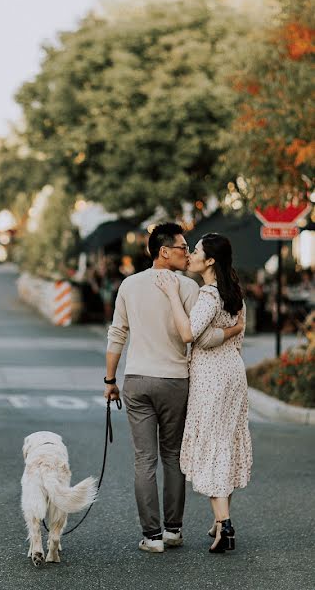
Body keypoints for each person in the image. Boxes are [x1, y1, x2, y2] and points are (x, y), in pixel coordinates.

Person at [104, 223, 244, 553]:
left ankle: (151, 537)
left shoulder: (129, 285)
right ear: (164, 251)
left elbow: (117, 334)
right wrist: (234, 330)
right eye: (183, 247)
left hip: (136, 380)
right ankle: (173, 531)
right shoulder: (189, 288)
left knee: (144, 461)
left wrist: (110, 380)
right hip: (175, 382)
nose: (187, 252)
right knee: (172, 457)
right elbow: (202, 337)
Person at [155, 233, 252, 554]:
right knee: (224, 440)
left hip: (211, 376)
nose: (191, 255)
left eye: (196, 251)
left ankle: (224, 525)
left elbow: (188, 333)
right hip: (234, 372)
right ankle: (221, 518)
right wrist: (227, 332)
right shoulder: (235, 293)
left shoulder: (209, 295)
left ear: (210, 261)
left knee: (213, 443)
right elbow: (232, 337)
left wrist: (171, 294)